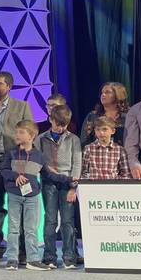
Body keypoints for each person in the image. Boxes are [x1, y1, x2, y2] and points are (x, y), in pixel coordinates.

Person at [0, 71, 33, 262]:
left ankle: (22, 250)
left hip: (14, 161)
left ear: (9, 86)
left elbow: (30, 134)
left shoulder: (22, 106)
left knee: (19, 205)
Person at [1, 120, 67, 271]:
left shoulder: (39, 156)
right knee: (13, 228)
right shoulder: (11, 153)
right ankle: (12, 258)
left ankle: (33, 259)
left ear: (31, 136)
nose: (17, 135)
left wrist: (68, 179)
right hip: (14, 195)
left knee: (31, 228)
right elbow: (4, 170)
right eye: (17, 132)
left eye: (21, 132)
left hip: (32, 196)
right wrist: (15, 176)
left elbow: (49, 174)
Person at [34, 105, 81, 269]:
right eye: (58, 124)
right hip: (49, 182)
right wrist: (47, 168)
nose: (61, 128)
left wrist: (73, 187)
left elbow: (77, 164)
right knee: (50, 219)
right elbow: (37, 160)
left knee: (68, 221)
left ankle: (69, 257)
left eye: (64, 125)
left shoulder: (73, 139)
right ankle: (49, 257)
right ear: (50, 120)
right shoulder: (40, 138)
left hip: (68, 182)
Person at [80, 82, 129, 147]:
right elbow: (84, 141)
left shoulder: (129, 116)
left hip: (122, 155)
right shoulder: (92, 116)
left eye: (107, 92)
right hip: (96, 155)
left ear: (118, 95)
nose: (103, 95)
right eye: (102, 92)